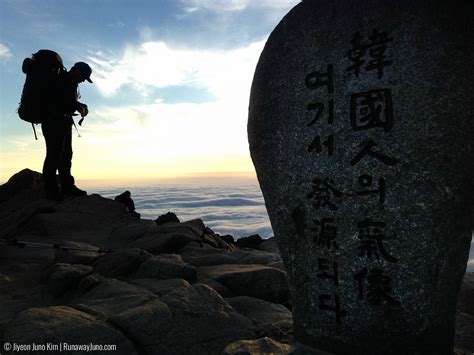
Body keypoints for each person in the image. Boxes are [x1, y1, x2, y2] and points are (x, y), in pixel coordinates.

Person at [42, 62, 93, 200]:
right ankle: (52, 190)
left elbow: (67, 102)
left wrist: (80, 106)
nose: (83, 80)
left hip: (63, 122)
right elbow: (59, 101)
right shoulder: (60, 79)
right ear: (76, 71)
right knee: (54, 156)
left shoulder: (70, 82)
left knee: (66, 155)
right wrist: (78, 106)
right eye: (83, 77)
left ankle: (67, 186)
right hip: (53, 121)